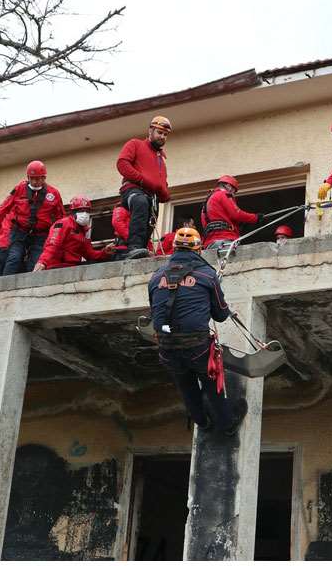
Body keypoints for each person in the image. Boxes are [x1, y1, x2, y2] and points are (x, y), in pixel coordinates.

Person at [147, 227, 247, 435]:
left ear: (174, 247)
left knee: (186, 386)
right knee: (212, 385)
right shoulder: (207, 275)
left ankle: (202, 422)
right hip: (197, 346)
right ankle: (227, 425)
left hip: (166, 346)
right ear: (198, 249)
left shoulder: (156, 278)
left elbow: (156, 309)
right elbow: (220, 314)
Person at [0, 160, 65, 275]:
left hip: (40, 235)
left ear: (44, 178)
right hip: (19, 231)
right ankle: (5, 288)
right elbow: (2, 209)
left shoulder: (54, 194)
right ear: (28, 177)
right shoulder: (19, 189)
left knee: (34, 264)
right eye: (31, 178)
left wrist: (59, 239)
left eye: (38, 178)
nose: (34, 181)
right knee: (14, 258)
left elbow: (61, 218)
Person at [116, 115, 172, 259]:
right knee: (140, 204)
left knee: (150, 221)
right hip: (133, 190)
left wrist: (164, 192)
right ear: (150, 131)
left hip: (151, 196)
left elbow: (162, 184)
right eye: (159, 133)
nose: (162, 137)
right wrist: (143, 180)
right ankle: (134, 247)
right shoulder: (135, 144)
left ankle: (141, 249)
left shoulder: (161, 161)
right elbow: (122, 164)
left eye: (165, 135)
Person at [33, 195, 115, 271]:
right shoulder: (63, 224)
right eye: (81, 210)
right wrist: (42, 262)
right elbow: (53, 245)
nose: (85, 214)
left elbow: (89, 253)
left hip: (73, 265)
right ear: (73, 212)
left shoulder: (84, 230)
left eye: (87, 211)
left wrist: (104, 252)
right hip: (57, 266)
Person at [200, 175, 262, 250]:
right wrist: (255, 218)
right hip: (225, 240)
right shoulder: (223, 194)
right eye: (234, 191)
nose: (233, 194)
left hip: (210, 244)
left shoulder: (207, 202)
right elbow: (236, 214)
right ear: (228, 186)